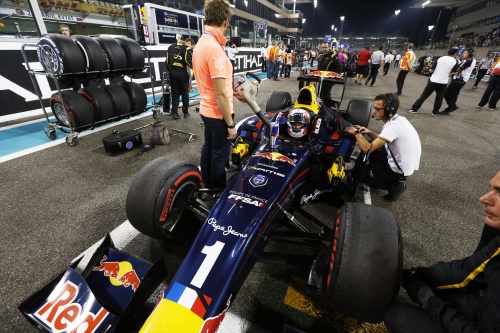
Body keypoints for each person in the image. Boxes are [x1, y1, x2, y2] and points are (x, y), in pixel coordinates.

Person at [384, 170, 500, 332]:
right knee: (447, 292)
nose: (484, 199)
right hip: (488, 309)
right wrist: (418, 274)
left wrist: (430, 301)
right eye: (492, 189)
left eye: (499, 194)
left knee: (397, 316)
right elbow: (469, 271)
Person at [344, 93, 421, 201]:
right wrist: (369, 132)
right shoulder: (399, 120)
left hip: (397, 171)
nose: (374, 112)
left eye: (377, 109)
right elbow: (385, 140)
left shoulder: (393, 127)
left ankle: (396, 186)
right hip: (401, 160)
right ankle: (379, 171)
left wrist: (356, 132)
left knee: (358, 173)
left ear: (389, 110)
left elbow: (368, 149)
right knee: (369, 143)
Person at [192, 0, 236, 188]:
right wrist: (230, 124)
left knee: (208, 149)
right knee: (219, 155)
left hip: (206, 109)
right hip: (218, 113)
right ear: (225, 22)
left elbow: (213, 83)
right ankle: (218, 192)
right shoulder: (214, 49)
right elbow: (220, 94)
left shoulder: (201, 43)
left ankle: (208, 186)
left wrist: (232, 90)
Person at [406, 47, 458, 115]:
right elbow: (455, 72)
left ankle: (414, 109)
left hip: (433, 80)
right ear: (454, 53)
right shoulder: (455, 61)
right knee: (439, 98)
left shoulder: (440, 59)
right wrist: (448, 73)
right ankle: (435, 112)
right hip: (443, 82)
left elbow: (431, 70)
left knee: (424, 96)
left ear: (448, 52)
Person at [438, 48, 476, 115]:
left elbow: (457, 71)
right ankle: (452, 106)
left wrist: (448, 73)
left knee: (453, 95)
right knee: (446, 94)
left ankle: (449, 109)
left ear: (470, 54)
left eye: (465, 53)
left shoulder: (470, 61)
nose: (463, 54)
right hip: (457, 80)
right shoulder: (466, 60)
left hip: (460, 81)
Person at [166, 33, 192, 119]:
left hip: (172, 73)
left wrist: (170, 70)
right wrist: (194, 68)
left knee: (175, 93)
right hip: (182, 73)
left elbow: (167, 61)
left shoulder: (170, 47)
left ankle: (175, 113)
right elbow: (187, 61)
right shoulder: (186, 48)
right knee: (185, 93)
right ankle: (185, 112)